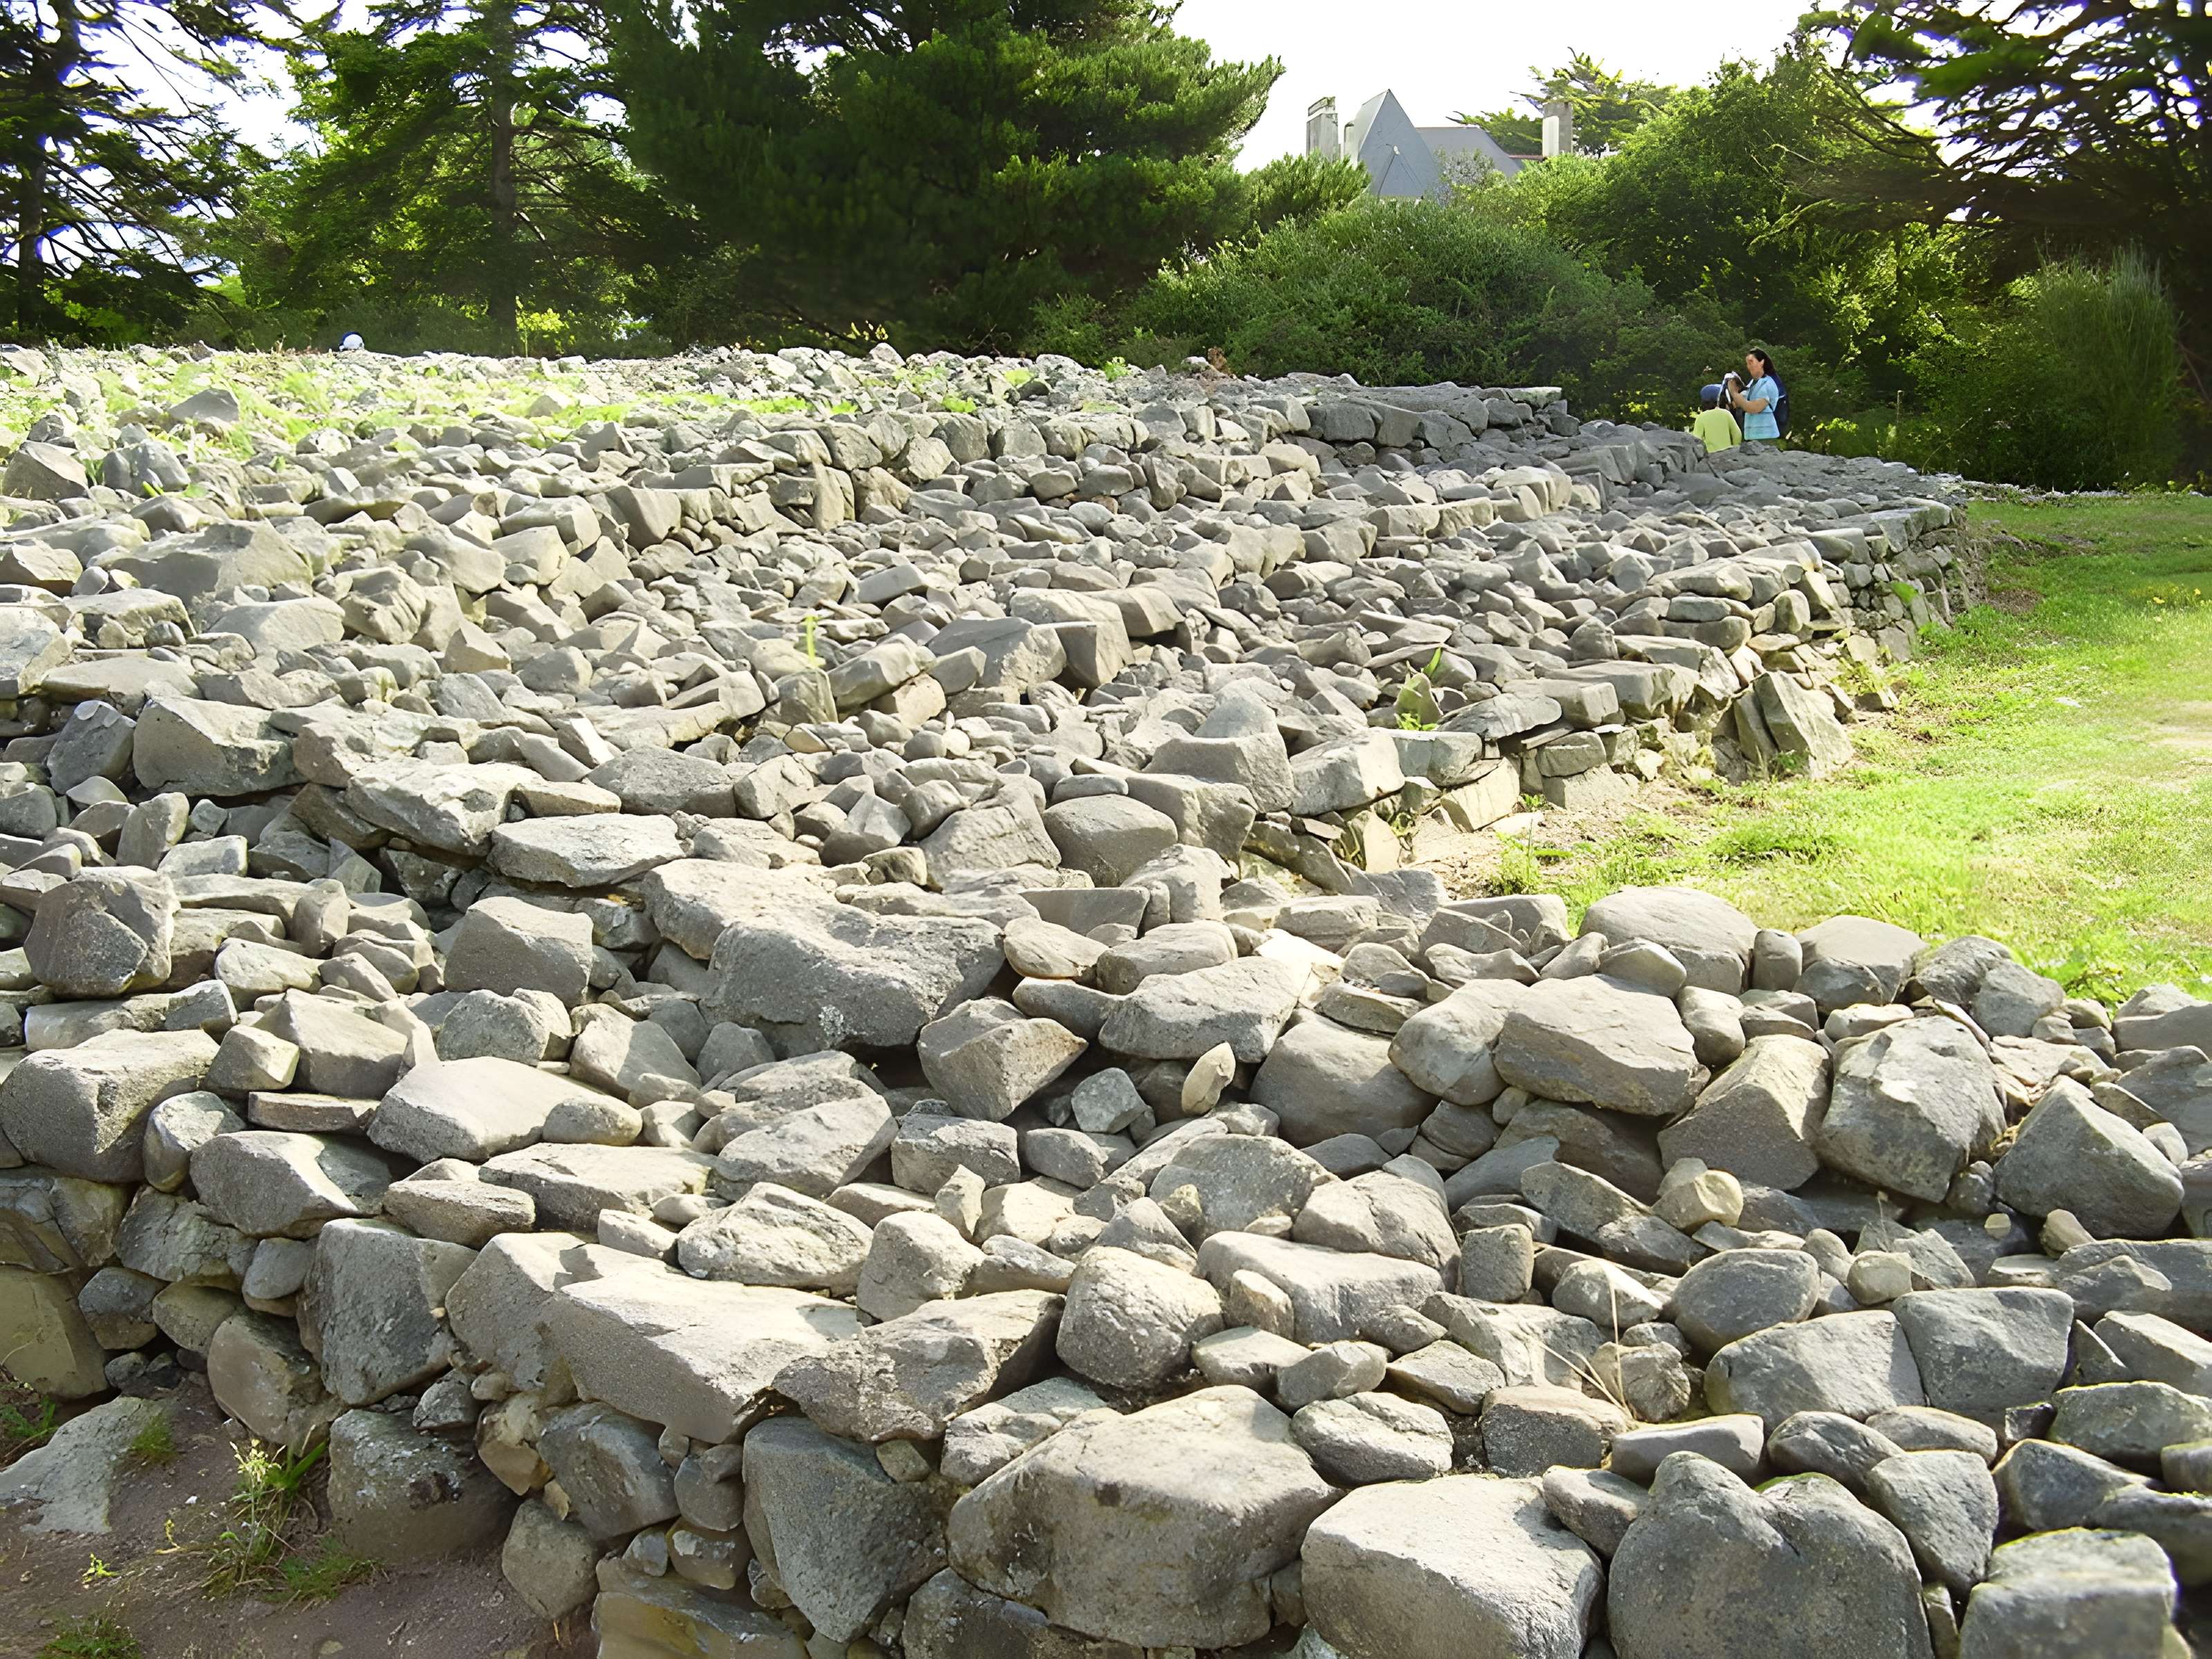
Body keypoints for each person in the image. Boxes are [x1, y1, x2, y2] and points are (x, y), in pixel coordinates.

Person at [1729, 348, 1782, 447]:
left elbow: (1753, 408)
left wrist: (1734, 393)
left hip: (1765, 437)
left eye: (1751, 362)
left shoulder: (1767, 383)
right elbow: (1739, 401)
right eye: (1747, 363)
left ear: (1762, 362)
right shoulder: (1753, 383)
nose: (1748, 366)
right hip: (1752, 436)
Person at [1691, 383, 1741, 454]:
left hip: (1711, 456)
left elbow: (1696, 439)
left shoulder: (1701, 417)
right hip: (1728, 454)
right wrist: (1735, 448)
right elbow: (1737, 434)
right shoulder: (1726, 414)